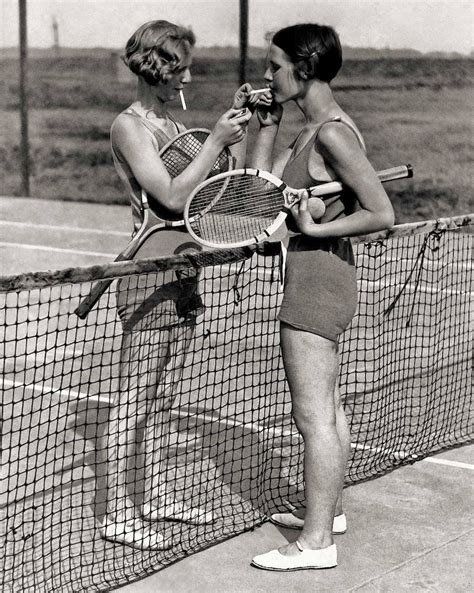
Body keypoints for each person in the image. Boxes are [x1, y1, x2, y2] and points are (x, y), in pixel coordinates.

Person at [240, 23, 395, 570]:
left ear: (303, 69)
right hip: (321, 271)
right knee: (327, 408)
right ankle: (328, 513)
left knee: (313, 418)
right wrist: (267, 125)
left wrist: (311, 226)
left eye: (274, 65)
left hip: (318, 276)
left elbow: (381, 214)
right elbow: (256, 194)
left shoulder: (333, 133)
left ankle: (315, 544)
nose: (265, 74)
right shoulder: (310, 128)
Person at [99, 20, 251, 551]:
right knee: (134, 399)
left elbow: (213, 190)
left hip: (186, 268)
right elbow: (166, 196)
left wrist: (233, 135)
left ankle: (158, 495)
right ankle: (118, 513)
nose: (189, 73)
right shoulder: (130, 126)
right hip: (148, 275)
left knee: (163, 396)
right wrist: (213, 139)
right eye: (181, 65)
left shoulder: (166, 119)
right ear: (159, 68)